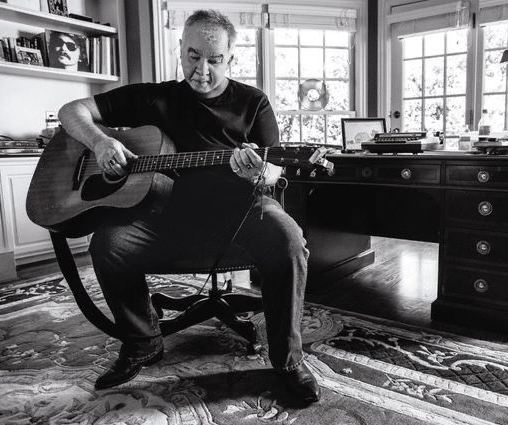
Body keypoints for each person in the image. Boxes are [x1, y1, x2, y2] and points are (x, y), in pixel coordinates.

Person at [57, 10, 320, 403]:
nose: (202, 70)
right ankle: (144, 341)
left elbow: (273, 170)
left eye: (215, 60)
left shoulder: (253, 103)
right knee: (108, 244)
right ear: (180, 48)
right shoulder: (151, 97)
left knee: (289, 239)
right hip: (161, 217)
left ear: (231, 57)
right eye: (193, 56)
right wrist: (99, 142)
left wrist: (258, 172)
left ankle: (287, 361)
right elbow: (71, 111)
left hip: (239, 213)